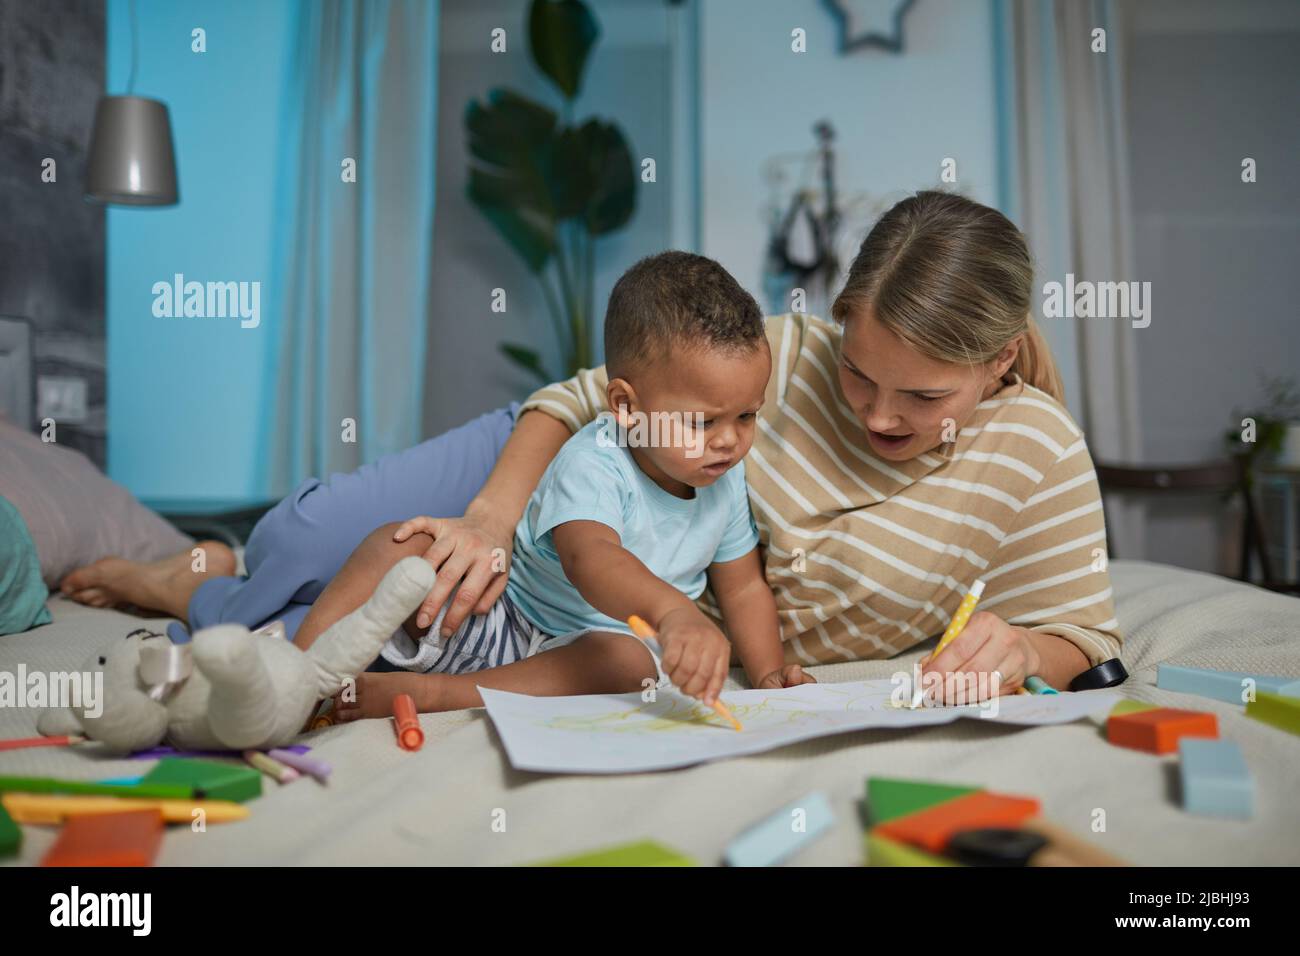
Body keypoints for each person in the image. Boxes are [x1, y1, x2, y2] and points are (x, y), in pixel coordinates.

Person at [62, 191, 1121, 704]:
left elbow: (1079, 626)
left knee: (321, 616)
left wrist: (1026, 650)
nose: (876, 413)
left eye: (921, 395)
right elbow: (579, 399)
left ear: (991, 369)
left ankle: (216, 602)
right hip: (548, 464)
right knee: (303, 534)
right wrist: (486, 516)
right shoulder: (783, 352)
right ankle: (190, 574)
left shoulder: (1033, 449)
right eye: (857, 373)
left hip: (627, 565)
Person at [294, 252, 813, 718]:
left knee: (631, 662)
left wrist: (769, 674)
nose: (729, 441)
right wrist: (673, 612)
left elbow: (743, 587)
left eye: (747, 415)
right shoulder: (596, 458)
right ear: (627, 407)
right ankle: (297, 677)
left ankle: (438, 696)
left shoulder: (723, 479)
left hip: (580, 660)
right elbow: (591, 560)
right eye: (703, 423)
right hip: (495, 615)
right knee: (401, 545)